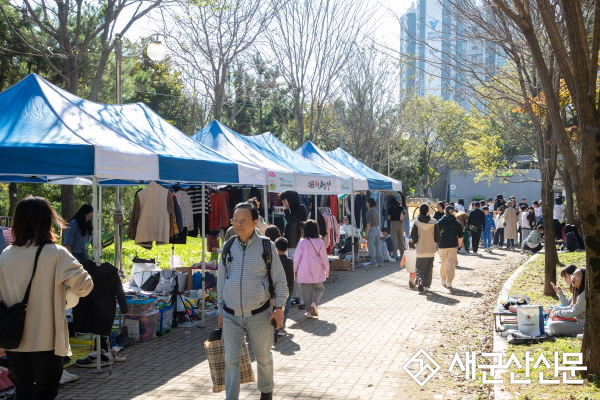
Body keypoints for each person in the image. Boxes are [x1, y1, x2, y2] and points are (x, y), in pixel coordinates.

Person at [0, 196, 93, 400]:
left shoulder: (6, 254)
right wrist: (65, 291)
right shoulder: (56, 253)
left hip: (13, 338)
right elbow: (85, 286)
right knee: (45, 392)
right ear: (46, 220)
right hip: (46, 339)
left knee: (22, 392)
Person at [217, 202, 288, 400]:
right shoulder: (228, 245)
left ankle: (266, 393)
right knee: (231, 360)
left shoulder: (267, 246)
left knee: (264, 358)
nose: (237, 224)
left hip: (260, 315)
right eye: (234, 220)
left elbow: (279, 279)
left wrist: (280, 308)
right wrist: (220, 309)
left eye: (243, 220)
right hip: (231, 315)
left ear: (255, 222)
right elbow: (222, 278)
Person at [293, 220, 330, 318]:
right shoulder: (320, 242)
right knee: (320, 288)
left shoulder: (302, 242)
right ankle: (315, 303)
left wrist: (295, 269)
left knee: (306, 291)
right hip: (317, 268)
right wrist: (327, 269)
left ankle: (309, 310)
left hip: (303, 269)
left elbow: (297, 258)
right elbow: (324, 258)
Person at [279, 190, 307, 309]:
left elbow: (292, 221)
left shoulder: (301, 208)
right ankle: (296, 297)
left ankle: (303, 299)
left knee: (297, 274)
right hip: (290, 244)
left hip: (296, 245)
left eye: (285, 200)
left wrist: (285, 210)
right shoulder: (294, 209)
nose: (284, 203)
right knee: (291, 273)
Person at [411, 204, 441, 292]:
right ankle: (426, 286)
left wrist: (416, 243)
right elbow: (437, 236)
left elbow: (414, 236)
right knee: (429, 268)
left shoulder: (416, 222)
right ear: (428, 211)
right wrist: (435, 242)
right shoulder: (433, 222)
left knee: (420, 267)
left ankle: (420, 279)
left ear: (419, 211)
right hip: (431, 248)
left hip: (421, 248)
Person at [547, 268, 586, 336]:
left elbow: (573, 312)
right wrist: (555, 310)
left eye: (577, 276)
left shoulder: (583, 295)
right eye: (573, 275)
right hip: (576, 321)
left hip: (582, 326)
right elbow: (571, 306)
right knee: (551, 321)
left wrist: (556, 313)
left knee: (552, 325)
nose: (573, 277)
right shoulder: (577, 291)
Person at [436, 206, 463, 288]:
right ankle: (449, 281)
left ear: (445, 211)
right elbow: (461, 234)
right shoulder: (456, 222)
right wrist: (460, 242)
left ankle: (443, 279)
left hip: (442, 245)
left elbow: (436, 233)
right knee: (451, 263)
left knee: (443, 263)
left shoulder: (440, 222)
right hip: (453, 245)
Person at [275, 238, 295, 337]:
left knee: (275, 308)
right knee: (285, 310)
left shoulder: (274, 262)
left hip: (276, 290)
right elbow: (292, 276)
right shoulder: (290, 262)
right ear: (287, 249)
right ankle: (281, 327)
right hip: (288, 289)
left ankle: (275, 326)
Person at [365, 198, 383, 267]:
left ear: (369, 203)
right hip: (377, 229)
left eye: (367, 203)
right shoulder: (376, 211)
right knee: (378, 246)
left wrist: (366, 233)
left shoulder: (369, 213)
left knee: (371, 246)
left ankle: (373, 261)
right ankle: (380, 262)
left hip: (372, 229)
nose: (366, 204)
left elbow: (368, 224)